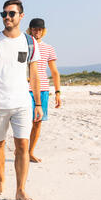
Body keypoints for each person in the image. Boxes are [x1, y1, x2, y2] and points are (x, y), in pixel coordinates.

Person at [0, 0, 43, 200]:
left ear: (21, 16)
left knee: (23, 145)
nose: (7, 17)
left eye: (11, 14)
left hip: (22, 103)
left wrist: (38, 104)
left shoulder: (30, 42)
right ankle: (1, 180)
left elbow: (34, 75)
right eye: (4, 14)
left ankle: (21, 189)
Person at [26, 18, 62, 163]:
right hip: (25, 88)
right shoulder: (24, 45)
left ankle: (30, 151)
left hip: (43, 89)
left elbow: (54, 72)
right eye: (34, 29)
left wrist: (58, 92)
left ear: (43, 30)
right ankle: (21, 148)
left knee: (37, 122)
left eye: (40, 29)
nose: (37, 31)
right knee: (24, 121)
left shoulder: (49, 48)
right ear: (30, 30)